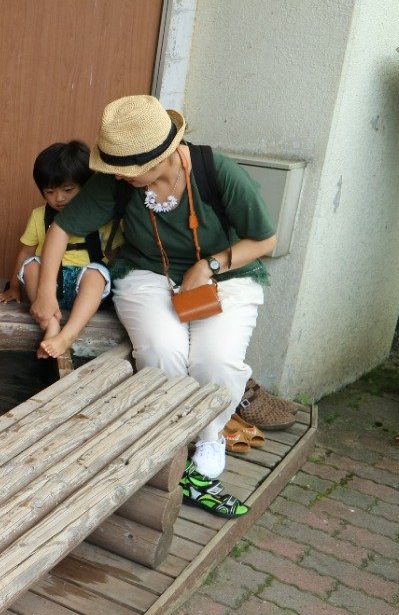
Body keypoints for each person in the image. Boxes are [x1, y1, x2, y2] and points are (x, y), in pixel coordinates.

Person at [32, 95, 277, 517]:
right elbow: (60, 230)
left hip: (224, 276)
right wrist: (46, 292)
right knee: (163, 352)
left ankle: (210, 435)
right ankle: (170, 442)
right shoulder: (119, 181)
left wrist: (210, 264)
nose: (118, 178)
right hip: (148, 272)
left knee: (215, 362)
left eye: (128, 171)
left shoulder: (217, 173)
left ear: (163, 156)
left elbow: (266, 240)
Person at [0, 140, 114, 359]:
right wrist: (13, 287)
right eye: (49, 192)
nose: (59, 198)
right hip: (47, 291)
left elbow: (115, 254)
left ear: (86, 186)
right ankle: (50, 324)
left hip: (84, 289)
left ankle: (68, 334)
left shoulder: (100, 217)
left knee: (97, 273)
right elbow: (26, 252)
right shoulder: (40, 216)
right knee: (30, 266)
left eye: (68, 190)